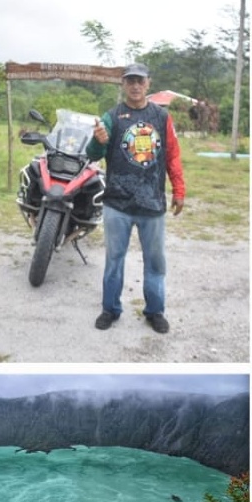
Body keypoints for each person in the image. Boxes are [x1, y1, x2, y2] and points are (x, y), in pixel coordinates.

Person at [86, 62, 185, 334]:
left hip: (151, 205)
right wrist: (98, 140)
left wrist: (178, 189)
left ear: (148, 83)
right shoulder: (112, 116)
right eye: (130, 80)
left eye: (140, 80)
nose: (135, 85)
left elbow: (173, 155)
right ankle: (110, 309)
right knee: (114, 260)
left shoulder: (162, 117)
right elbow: (93, 154)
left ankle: (155, 311)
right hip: (117, 203)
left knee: (155, 263)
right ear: (123, 84)